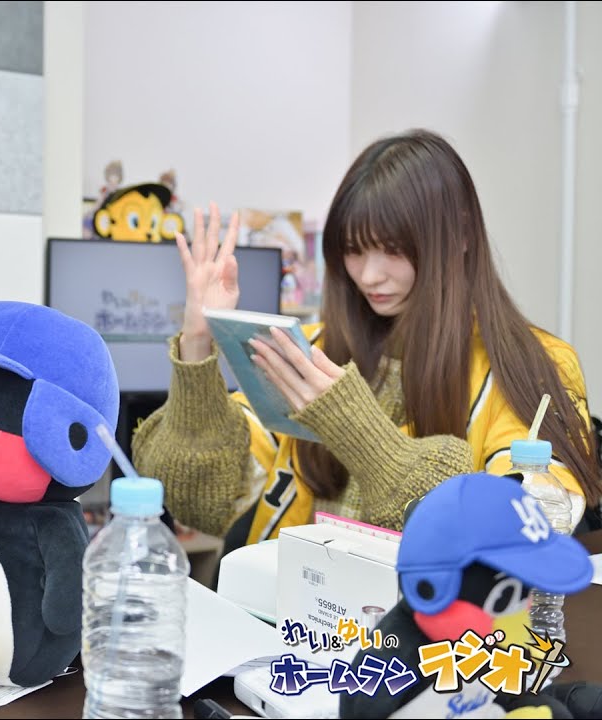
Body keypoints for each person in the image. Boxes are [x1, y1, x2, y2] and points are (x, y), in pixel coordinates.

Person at [133, 129, 600, 554]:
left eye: (393, 250)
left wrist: (357, 432)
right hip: (289, 607)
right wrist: (198, 342)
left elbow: (524, 531)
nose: (370, 276)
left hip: (429, 620)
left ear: (460, 234)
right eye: (354, 250)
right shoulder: (312, 348)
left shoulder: (534, 365)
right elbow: (202, 500)